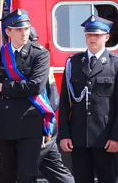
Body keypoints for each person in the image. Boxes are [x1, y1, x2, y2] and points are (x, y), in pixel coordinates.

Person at [0, 9, 53, 183]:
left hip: (29, 125)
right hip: (4, 124)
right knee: (6, 173)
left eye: (26, 28)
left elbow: (34, 86)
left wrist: (4, 87)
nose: (24, 33)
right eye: (19, 29)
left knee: (27, 174)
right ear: (8, 32)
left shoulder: (40, 54)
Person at [59, 15, 118, 183]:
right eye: (89, 34)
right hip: (79, 138)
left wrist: (116, 137)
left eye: (97, 35)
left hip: (106, 139)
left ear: (106, 37)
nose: (92, 38)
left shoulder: (115, 64)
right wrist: (64, 134)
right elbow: (64, 103)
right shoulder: (73, 63)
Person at [30, 27, 75, 183]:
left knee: (24, 171)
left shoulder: (38, 62)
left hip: (42, 128)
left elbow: (53, 99)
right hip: (42, 128)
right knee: (56, 171)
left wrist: (42, 124)